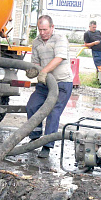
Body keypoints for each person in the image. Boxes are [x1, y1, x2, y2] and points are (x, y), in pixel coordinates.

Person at [26, 15, 74, 158]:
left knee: (53, 112)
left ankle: (47, 145)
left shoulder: (60, 38)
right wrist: (32, 70)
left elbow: (59, 58)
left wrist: (44, 71)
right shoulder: (36, 42)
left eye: (45, 29)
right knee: (32, 106)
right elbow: (35, 62)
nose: (42, 33)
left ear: (52, 27)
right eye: (40, 30)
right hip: (45, 83)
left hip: (61, 82)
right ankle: (34, 138)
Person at [84, 20, 101, 89]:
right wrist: (94, 43)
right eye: (93, 27)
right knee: (100, 67)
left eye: (95, 27)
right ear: (90, 26)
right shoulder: (87, 34)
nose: (94, 29)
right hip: (96, 52)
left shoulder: (98, 32)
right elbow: (86, 44)